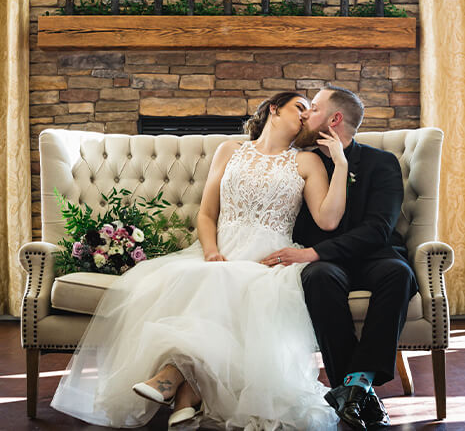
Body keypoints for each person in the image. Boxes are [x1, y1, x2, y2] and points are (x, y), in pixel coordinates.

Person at [51, 92, 348, 430]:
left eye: (310, 111)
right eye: (299, 107)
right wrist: (210, 252)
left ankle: (172, 380)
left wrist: (340, 163)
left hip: (269, 264)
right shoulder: (229, 151)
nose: (306, 115)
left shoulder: (306, 162)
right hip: (218, 254)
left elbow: (328, 220)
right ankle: (184, 397)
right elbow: (207, 215)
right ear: (273, 109)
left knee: (226, 285)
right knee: (202, 279)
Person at [261, 85, 419, 430]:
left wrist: (313, 251)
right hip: (326, 266)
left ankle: (355, 384)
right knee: (318, 278)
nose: (305, 114)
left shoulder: (381, 163)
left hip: (375, 256)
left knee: (400, 273)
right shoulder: (301, 162)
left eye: (313, 108)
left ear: (335, 119)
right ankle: (357, 391)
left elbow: (379, 229)